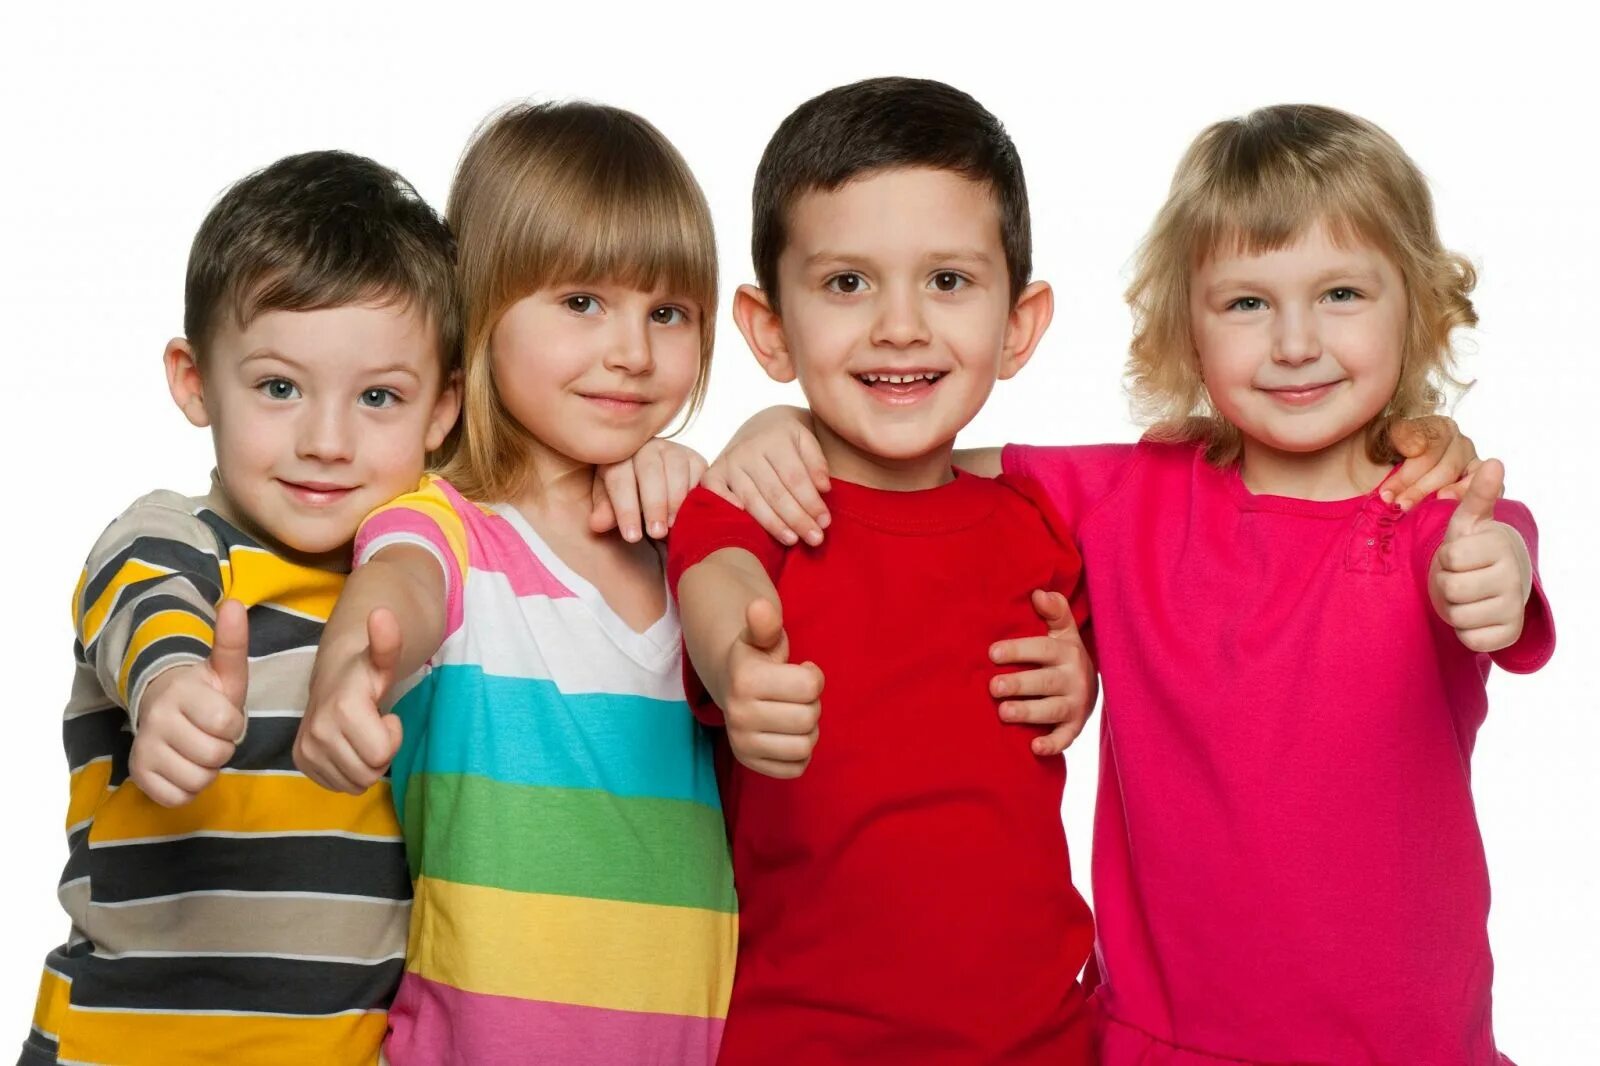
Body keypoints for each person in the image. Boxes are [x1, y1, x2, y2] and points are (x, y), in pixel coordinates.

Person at [708, 103, 1552, 1063]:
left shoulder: (1444, 518)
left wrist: (1499, 574)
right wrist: (782, 428)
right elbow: (915, 463)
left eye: (1343, 294)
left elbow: (1497, 565)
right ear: (1187, 327)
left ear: (1418, 307)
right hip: (1160, 1043)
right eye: (1246, 303)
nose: (1294, 342)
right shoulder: (1128, 495)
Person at [294, 102, 736, 1065]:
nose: (632, 351)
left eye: (668, 312)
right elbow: (397, 592)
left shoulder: (693, 546)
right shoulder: (448, 529)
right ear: (484, 308)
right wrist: (349, 675)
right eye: (582, 302)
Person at [668, 77, 1098, 1064]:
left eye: (947, 280)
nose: (899, 325)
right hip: (800, 1040)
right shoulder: (754, 502)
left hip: (1043, 1039)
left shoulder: (1040, 522)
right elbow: (715, 577)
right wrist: (738, 666)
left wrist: (1084, 672)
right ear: (770, 328)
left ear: (1019, 324)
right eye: (846, 284)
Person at [22, 150, 461, 1066]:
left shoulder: (432, 576)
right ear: (194, 380)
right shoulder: (175, 539)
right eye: (279, 387)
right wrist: (170, 686)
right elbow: (143, 600)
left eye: (378, 397)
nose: (327, 440)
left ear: (442, 410)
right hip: (124, 1044)